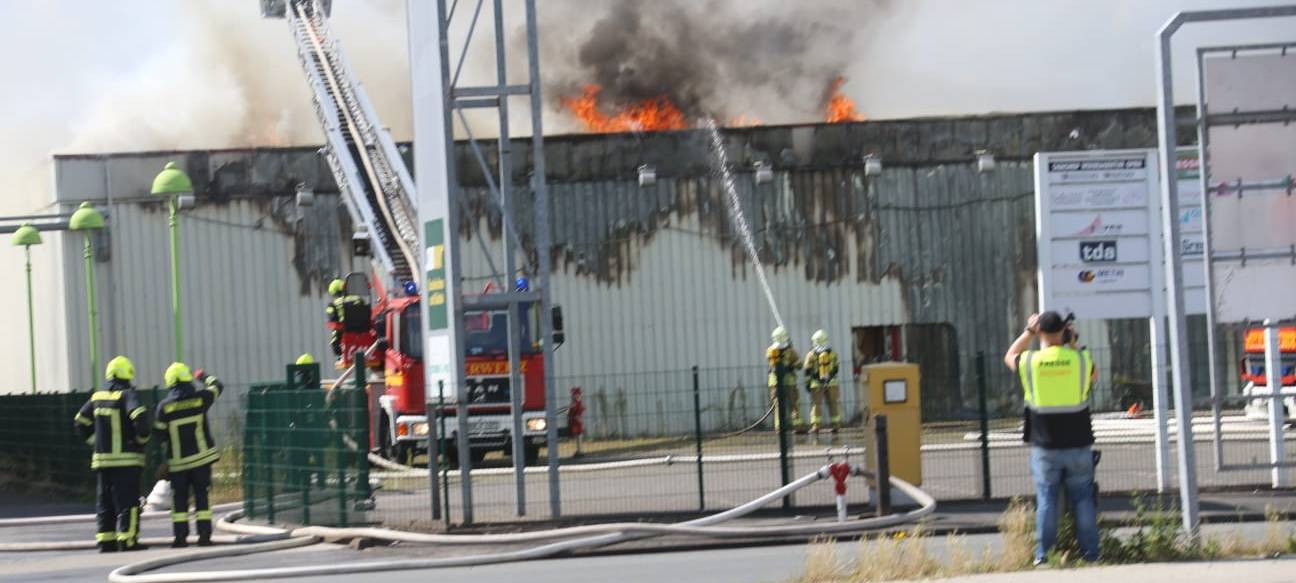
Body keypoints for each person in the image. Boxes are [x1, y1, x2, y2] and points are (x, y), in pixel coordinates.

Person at [1004, 311, 1099, 564]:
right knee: (1083, 499)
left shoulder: (1030, 362)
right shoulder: (1079, 359)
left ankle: (1044, 556)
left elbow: (1009, 356)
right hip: (1079, 443)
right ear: (1063, 332)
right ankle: (1091, 554)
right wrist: (1073, 342)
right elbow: (1093, 375)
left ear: (1041, 333)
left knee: (1047, 500)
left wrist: (1028, 332)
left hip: (1045, 446)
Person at [74, 356, 150, 553]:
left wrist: (95, 443)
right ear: (128, 374)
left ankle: (106, 541)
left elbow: (80, 422)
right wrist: (140, 441)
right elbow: (140, 419)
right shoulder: (127, 395)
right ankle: (128, 540)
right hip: (126, 461)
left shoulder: (97, 397)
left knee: (105, 502)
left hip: (102, 461)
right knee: (128, 502)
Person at [153, 363, 224, 548]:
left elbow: (158, 437)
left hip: (178, 464)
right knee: (202, 497)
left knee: (179, 502)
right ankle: (204, 537)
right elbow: (218, 386)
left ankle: (180, 539)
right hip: (201, 460)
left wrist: (163, 462)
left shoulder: (164, 407)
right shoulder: (201, 399)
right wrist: (202, 376)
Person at [803, 329, 843, 433]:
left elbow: (807, 370)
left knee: (816, 405)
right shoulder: (833, 354)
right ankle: (836, 425)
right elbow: (836, 368)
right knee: (833, 404)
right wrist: (829, 377)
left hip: (816, 384)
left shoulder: (810, 355)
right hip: (832, 383)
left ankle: (816, 426)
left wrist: (807, 383)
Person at [325, 277, 372, 365]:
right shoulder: (358, 298)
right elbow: (366, 311)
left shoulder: (333, 304)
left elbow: (332, 319)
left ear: (333, 292)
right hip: (364, 329)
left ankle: (340, 356)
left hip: (345, 330)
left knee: (334, 339)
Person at [767, 326, 805, 432]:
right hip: (789, 381)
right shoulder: (791, 351)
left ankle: (779, 427)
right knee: (794, 404)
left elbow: (772, 366)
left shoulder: (770, 350)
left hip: (774, 382)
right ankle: (798, 426)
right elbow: (800, 365)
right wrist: (792, 363)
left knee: (778, 404)